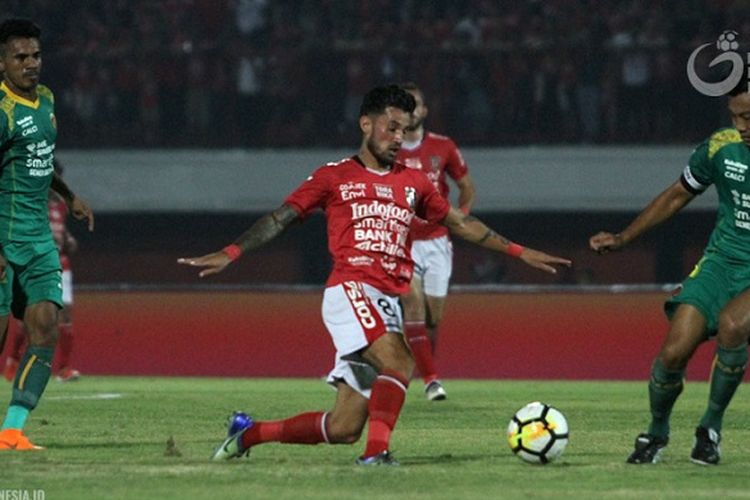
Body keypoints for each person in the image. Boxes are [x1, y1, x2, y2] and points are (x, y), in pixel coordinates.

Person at [179, 84, 571, 465]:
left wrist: (520, 251)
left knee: (343, 426)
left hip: (386, 301)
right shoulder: (334, 176)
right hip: (351, 289)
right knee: (400, 360)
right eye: (391, 127)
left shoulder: (412, 182)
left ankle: (247, 434)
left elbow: (459, 223)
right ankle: (375, 455)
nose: (399, 137)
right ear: (366, 124)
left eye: (404, 129)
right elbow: (281, 218)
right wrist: (231, 252)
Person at [589, 82, 750, 466]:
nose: (741, 126)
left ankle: (709, 429)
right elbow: (677, 194)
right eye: (735, 116)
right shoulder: (720, 147)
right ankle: (656, 432)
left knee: (733, 325)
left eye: (749, 117)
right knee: (674, 352)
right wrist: (624, 237)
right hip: (720, 262)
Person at [0, 19, 94, 451]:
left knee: (45, 328)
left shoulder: (47, 101)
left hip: (38, 241)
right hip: (3, 237)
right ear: (2, 63)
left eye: (35, 55)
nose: (31, 64)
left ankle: (12, 432)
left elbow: (41, 161)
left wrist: (69, 195)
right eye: (20, 57)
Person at [395, 82, 476, 401]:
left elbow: (467, 187)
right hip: (403, 243)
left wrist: (462, 216)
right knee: (411, 304)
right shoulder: (388, 148)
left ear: (424, 111)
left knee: (432, 319)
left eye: (414, 104)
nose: (409, 111)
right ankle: (430, 379)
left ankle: (421, 363)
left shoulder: (443, 147)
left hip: (438, 242)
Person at [3, 160, 81, 383]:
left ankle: (64, 369)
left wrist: (68, 239)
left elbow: (61, 234)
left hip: (60, 265)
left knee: (64, 315)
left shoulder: (60, 206)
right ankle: (14, 362)